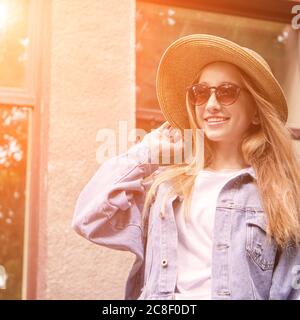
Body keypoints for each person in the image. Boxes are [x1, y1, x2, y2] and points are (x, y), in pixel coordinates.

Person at [72, 34, 300, 300]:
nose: (211, 105)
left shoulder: (280, 195)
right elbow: (89, 219)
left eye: (227, 92)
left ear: (256, 112)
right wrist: (146, 154)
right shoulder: (165, 187)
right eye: (201, 93)